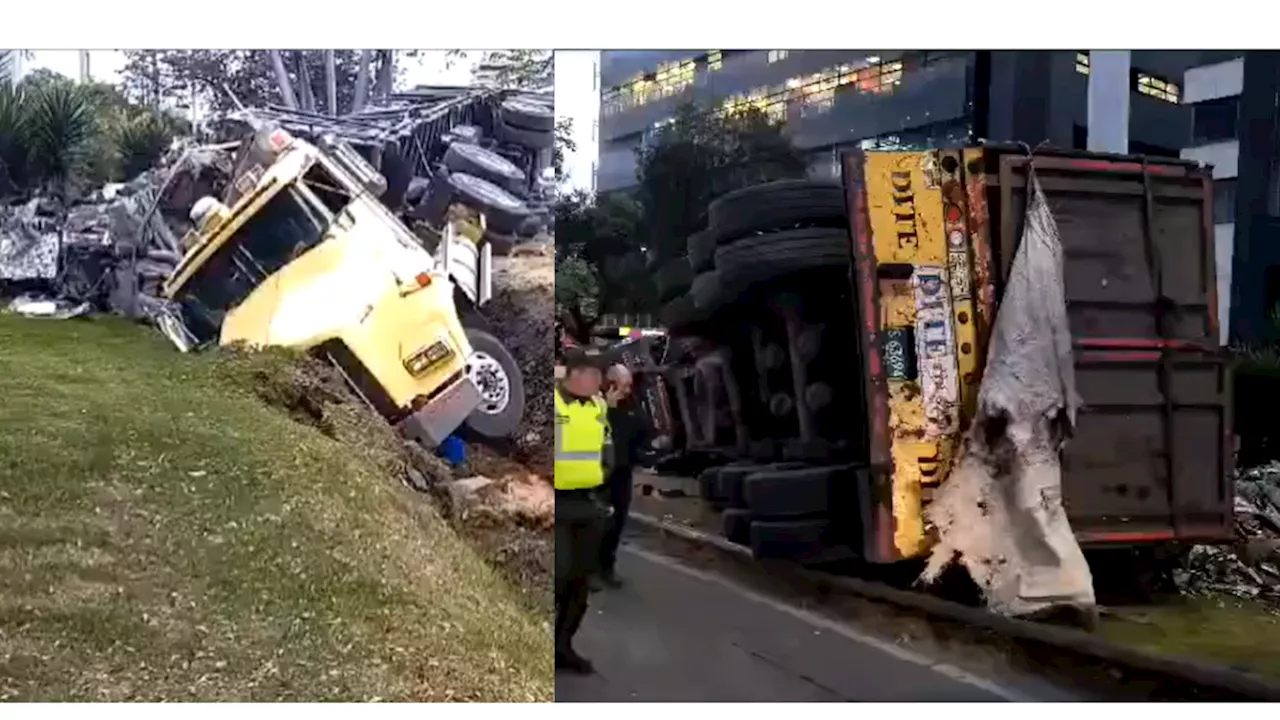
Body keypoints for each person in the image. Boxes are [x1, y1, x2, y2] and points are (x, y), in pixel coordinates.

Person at [554, 348, 612, 675]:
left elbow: (605, 445)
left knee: (580, 581)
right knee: (559, 575)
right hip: (556, 501)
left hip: (587, 502)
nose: (596, 382)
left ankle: (563, 646)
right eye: (591, 375)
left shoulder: (599, 405)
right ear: (572, 374)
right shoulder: (554, 404)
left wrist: (606, 470)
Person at [595, 364, 645, 589]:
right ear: (612, 384)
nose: (627, 390)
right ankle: (591, 571)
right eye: (624, 386)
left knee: (617, 523)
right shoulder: (598, 406)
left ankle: (608, 567)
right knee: (599, 525)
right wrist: (610, 411)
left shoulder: (632, 406)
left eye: (629, 386)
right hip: (602, 473)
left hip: (623, 473)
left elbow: (640, 431)